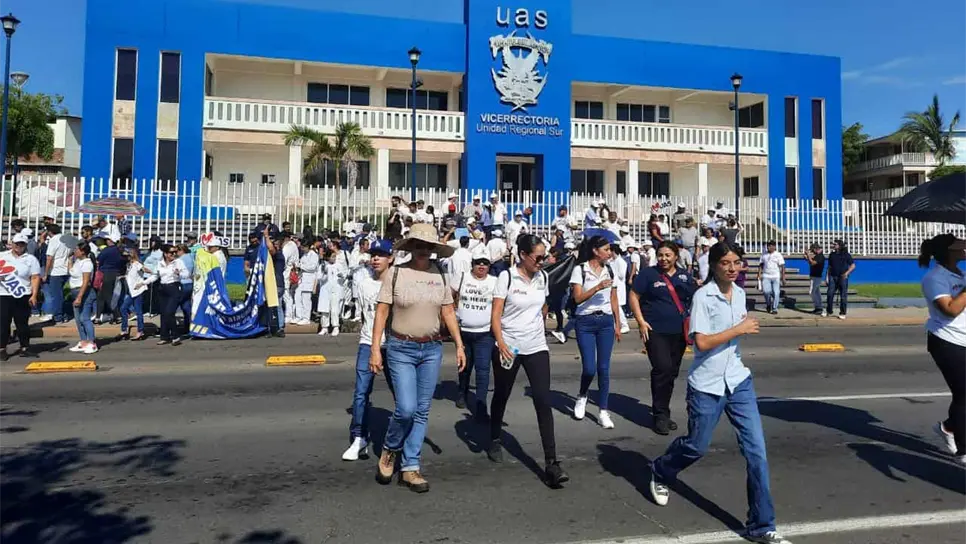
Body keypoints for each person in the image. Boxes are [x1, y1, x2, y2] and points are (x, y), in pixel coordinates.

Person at [648, 241, 790, 544]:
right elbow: (700, 343)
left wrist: (738, 332)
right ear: (714, 265)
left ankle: (761, 526)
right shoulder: (703, 296)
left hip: (738, 381)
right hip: (707, 385)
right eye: (725, 262)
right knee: (696, 447)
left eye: (736, 262)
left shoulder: (739, 295)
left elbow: (732, 339)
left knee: (757, 453)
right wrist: (738, 330)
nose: (732, 268)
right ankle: (661, 469)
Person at [369, 223, 466, 493]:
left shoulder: (440, 275)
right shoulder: (397, 273)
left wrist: (459, 345)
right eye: (419, 245)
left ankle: (410, 466)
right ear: (411, 247)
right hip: (401, 348)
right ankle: (390, 448)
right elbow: (381, 313)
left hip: (431, 348)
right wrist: (376, 348)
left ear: (434, 250)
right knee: (406, 408)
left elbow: (448, 312)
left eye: (428, 246)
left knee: (422, 411)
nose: (423, 250)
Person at [488, 234, 569, 487]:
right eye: (538, 257)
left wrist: (538, 321)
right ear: (523, 255)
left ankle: (552, 463)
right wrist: (501, 343)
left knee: (543, 400)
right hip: (509, 347)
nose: (543, 261)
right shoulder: (507, 277)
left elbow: (542, 305)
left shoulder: (542, 277)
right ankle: (494, 437)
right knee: (502, 393)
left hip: (536, 347)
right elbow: (496, 314)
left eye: (545, 257)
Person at [629, 241, 698, 435]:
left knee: (671, 372)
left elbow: (696, 298)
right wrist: (641, 321)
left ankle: (664, 412)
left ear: (676, 256)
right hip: (655, 331)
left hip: (679, 332)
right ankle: (659, 415)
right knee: (662, 369)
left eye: (668, 255)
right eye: (660, 255)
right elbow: (634, 296)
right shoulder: (648, 275)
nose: (664, 259)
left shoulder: (685, 276)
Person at [342, 240, 396, 462]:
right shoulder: (364, 284)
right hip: (367, 342)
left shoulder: (397, 283)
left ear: (390, 258)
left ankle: (399, 438)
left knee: (402, 396)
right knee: (361, 392)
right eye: (373, 254)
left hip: (393, 345)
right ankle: (359, 437)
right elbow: (366, 315)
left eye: (381, 255)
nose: (375, 259)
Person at [918, 234, 966, 464]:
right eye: (959, 242)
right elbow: (950, 309)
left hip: (964, 339)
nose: (964, 244)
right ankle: (964, 450)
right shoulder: (934, 278)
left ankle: (949, 427)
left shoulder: (959, 273)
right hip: (947, 342)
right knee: (964, 394)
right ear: (948, 250)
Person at [569, 236, 622, 429]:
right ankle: (582, 395)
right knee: (589, 368)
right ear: (595, 250)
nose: (610, 253)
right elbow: (578, 298)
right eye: (606, 249)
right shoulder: (580, 269)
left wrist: (618, 323)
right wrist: (598, 287)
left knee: (604, 368)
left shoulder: (610, 269)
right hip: (585, 322)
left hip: (606, 321)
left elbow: (614, 298)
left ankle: (603, 411)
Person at [453, 244, 497, 421]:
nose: (481, 266)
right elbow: (448, 297)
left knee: (483, 370)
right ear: (472, 263)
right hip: (463, 332)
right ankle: (462, 391)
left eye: (485, 263)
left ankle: (480, 405)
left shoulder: (494, 282)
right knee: (464, 367)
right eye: (478, 262)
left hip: (485, 333)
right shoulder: (461, 277)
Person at [0, 233, 41, 359]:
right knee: (3, 323)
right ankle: (2, 349)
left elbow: (35, 278)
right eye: (17, 243)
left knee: (22, 323)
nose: (19, 246)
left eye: (22, 244)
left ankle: (25, 347)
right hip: (4, 295)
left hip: (23, 295)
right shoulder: (2, 256)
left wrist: (34, 295)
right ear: (12, 244)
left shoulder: (31, 259)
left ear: (25, 245)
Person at [144, 244, 190, 346]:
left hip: (174, 287)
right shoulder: (160, 263)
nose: (174, 254)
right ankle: (164, 336)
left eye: (175, 252)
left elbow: (186, 274)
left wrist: (179, 273)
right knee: (164, 313)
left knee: (170, 312)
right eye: (171, 253)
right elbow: (155, 275)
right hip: (163, 288)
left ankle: (176, 336)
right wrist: (143, 283)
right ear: (165, 254)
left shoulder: (178, 262)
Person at [68, 241, 97, 354]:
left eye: (77, 250)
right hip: (75, 291)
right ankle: (83, 341)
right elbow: (72, 272)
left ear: (83, 251)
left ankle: (91, 342)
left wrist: (79, 297)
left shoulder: (87, 263)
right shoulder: (78, 262)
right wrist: (70, 260)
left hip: (84, 292)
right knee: (78, 319)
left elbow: (86, 282)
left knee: (85, 318)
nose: (75, 251)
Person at [42, 224, 71, 323]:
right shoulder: (66, 239)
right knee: (61, 294)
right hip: (65, 270)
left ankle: (58, 316)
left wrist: (45, 273)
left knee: (56, 295)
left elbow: (49, 258)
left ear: (50, 232)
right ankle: (64, 314)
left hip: (55, 271)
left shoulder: (54, 240)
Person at [120, 246, 148, 341]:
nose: (126, 258)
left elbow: (144, 269)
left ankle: (140, 331)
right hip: (132, 291)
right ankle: (124, 329)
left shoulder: (136, 264)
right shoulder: (129, 265)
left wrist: (150, 274)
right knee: (123, 308)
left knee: (138, 311)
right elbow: (131, 276)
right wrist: (123, 277)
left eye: (127, 256)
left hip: (138, 291)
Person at [294, 237, 321, 326]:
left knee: (306, 300)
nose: (302, 248)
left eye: (304, 247)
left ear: (308, 246)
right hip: (301, 279)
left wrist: (301, 266)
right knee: (298, 298)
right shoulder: (304, 255)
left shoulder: (313, 255)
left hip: (309, 279)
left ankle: (306, 318)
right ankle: (299, 316)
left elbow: (312, 267)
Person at [826, 239, 855, 319]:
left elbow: (853, 265)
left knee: (843, 295)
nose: (833, 245)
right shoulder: (832, 255)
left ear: (839, 245)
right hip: (833, 276)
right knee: (830, 294)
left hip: (842, 277)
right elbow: (829, 267)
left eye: (835, 244)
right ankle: (829, 310)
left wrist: (846, 273)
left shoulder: (846, 255)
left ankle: (842, 312)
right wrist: (827, 277)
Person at [758, 241, 785, 314]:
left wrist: (783, 277)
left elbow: (782, 266)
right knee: (766, 292)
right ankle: (768, 304)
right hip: (766, 276)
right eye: (769, 246)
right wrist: (759, 274)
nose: (770, 247)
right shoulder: (764, 255)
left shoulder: (778, 255)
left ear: (775, 247)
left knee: (776, 293)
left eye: (772, 246)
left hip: (776, 276)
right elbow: (761, 265)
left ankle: (775, 308)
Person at [804, 243, 826, 315]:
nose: (812, 252)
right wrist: (806, 255)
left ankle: (818, 307)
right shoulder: (817, 256)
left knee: (812, 292)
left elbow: (812, 263)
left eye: (813, 250)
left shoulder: (820, 256)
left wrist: (808, 255)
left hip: (817, 277)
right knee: (816, 292)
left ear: (816, 249)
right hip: (814, 276)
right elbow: (809, 261)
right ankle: (818, 307)